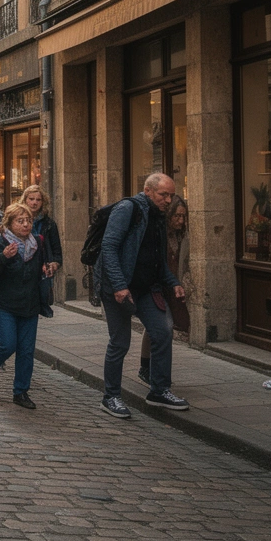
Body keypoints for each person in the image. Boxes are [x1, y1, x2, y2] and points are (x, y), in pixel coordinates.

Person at [96, 173, 190, 418]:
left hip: (147, 288)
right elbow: (109, 247)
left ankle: (159, 390)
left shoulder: (159, 215)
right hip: (119, 288)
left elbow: (158, 258)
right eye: (163, 195)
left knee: (162, 330)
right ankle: (111, 396)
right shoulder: (128, 209)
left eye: (171, 194)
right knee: (120, 342)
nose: (168, 200)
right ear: (148, 191)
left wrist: (172, 282)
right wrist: (118, 285)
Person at [0, 202, 46, 409]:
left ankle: (21, 392)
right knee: (7, 344)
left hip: (29, 305)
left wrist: (47, 268)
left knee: (26, 351)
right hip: (2, 304)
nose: (26, 225)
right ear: (9, 223)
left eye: (28, 221)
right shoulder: (1, 243)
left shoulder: (37, 244)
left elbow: (40, 268)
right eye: (20, 221)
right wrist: (4, 257)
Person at [140, 197, 192, 384]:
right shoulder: (161, 233)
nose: (180, 220)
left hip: (173, 286)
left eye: (184, 217)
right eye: (177, 216)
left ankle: (153, 372)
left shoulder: (183, 235)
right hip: (159, 286)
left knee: (164, 328)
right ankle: (149, 369)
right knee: (161, 327)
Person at [21, 185, 61, 319]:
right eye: (31, 199)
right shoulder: (17, 220)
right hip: (22, 266)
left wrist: (55, 263)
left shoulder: (49, 223)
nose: (34, 202)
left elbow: (56, 249)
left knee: (41, 298)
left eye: (38, 200)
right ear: (25, 200)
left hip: (42, 267)